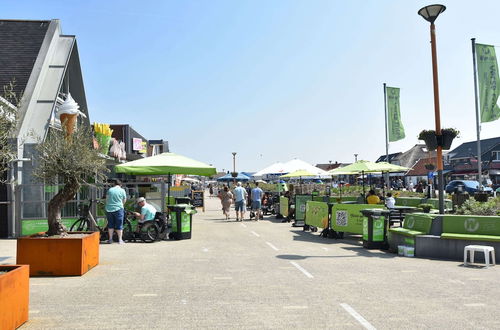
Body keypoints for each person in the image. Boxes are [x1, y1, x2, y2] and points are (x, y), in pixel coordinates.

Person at [105, 179, 127, 244]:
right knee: (119, 224)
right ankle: (120, 240)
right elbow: (124, 199)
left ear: (114, 184)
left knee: (110, 224)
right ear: (120, 185)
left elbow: (107, 199)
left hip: (109, 209)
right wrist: (121, 205)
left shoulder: (110, 190)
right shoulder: (122, 190)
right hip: (118, 208)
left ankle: (110, 239)